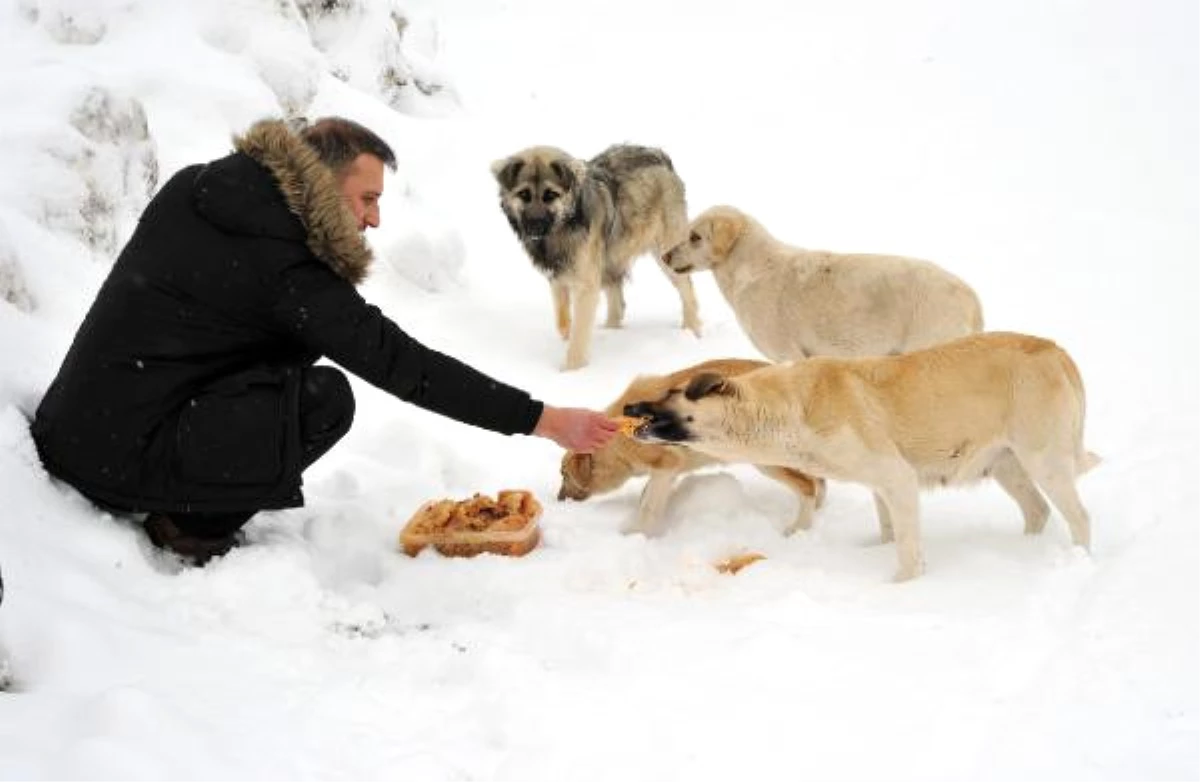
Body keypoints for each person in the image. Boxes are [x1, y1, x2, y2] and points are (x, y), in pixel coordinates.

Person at [31, 116, 617, 565]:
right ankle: (187, 526)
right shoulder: (287, 270)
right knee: (321, 399)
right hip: (117, 459)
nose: (375, 220)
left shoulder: (200, 190)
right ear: (320, 183)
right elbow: (400, 363)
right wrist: (543, 418)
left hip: (81, 425)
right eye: (368, 199)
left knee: (286, 359)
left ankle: (177, 485)